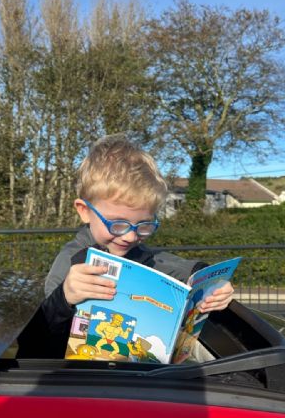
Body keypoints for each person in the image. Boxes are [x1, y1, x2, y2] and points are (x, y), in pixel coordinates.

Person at [38, 134, 234, 357]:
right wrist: (64, 297)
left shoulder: (136, 253)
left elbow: (171, 265)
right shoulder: (72, 261)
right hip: (81, 371)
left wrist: (213, 284)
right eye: (118, 224)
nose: (130, 237)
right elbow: (40, 334)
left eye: (144, 225)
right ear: (84, 211)